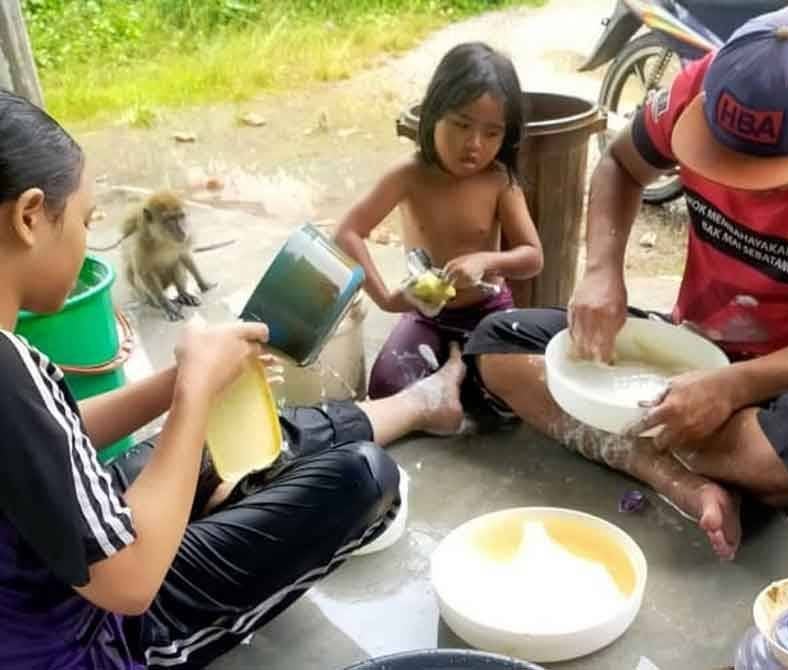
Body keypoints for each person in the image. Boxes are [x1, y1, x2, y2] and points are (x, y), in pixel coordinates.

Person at [0, 89, 468, 669]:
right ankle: (252, 489)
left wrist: (181, 381)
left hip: (56, 566)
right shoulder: (8, 369)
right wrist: (194, 397)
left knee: (258, 429)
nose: (88, 237)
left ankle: (422, 402)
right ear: (28, 217)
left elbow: (47, 439)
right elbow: (130, 582)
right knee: (365, 477)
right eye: (84, 220)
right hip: (97, 638)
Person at [464, 9, 788, 560]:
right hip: (690, 348)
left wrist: (734, 388)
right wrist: (602, 270)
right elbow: (620, 166)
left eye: (767, 172)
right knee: (497, 343)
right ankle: (670, 472)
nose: (738, 186)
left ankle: (644, 433)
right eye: (722, 159)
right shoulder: (701, 81)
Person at [335, 41, 543, 400]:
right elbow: (347, 233)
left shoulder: (498, 181)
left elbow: (532, 257)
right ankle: (455, 380)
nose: (474, 144)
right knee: (386, 387)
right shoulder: (408, 176)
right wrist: (386, 298)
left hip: (488, 311)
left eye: (492, 133)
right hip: (427, 315)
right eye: (462, 125)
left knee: (523, 386)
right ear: (434, 114)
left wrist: (486, 260)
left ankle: (456, 380)